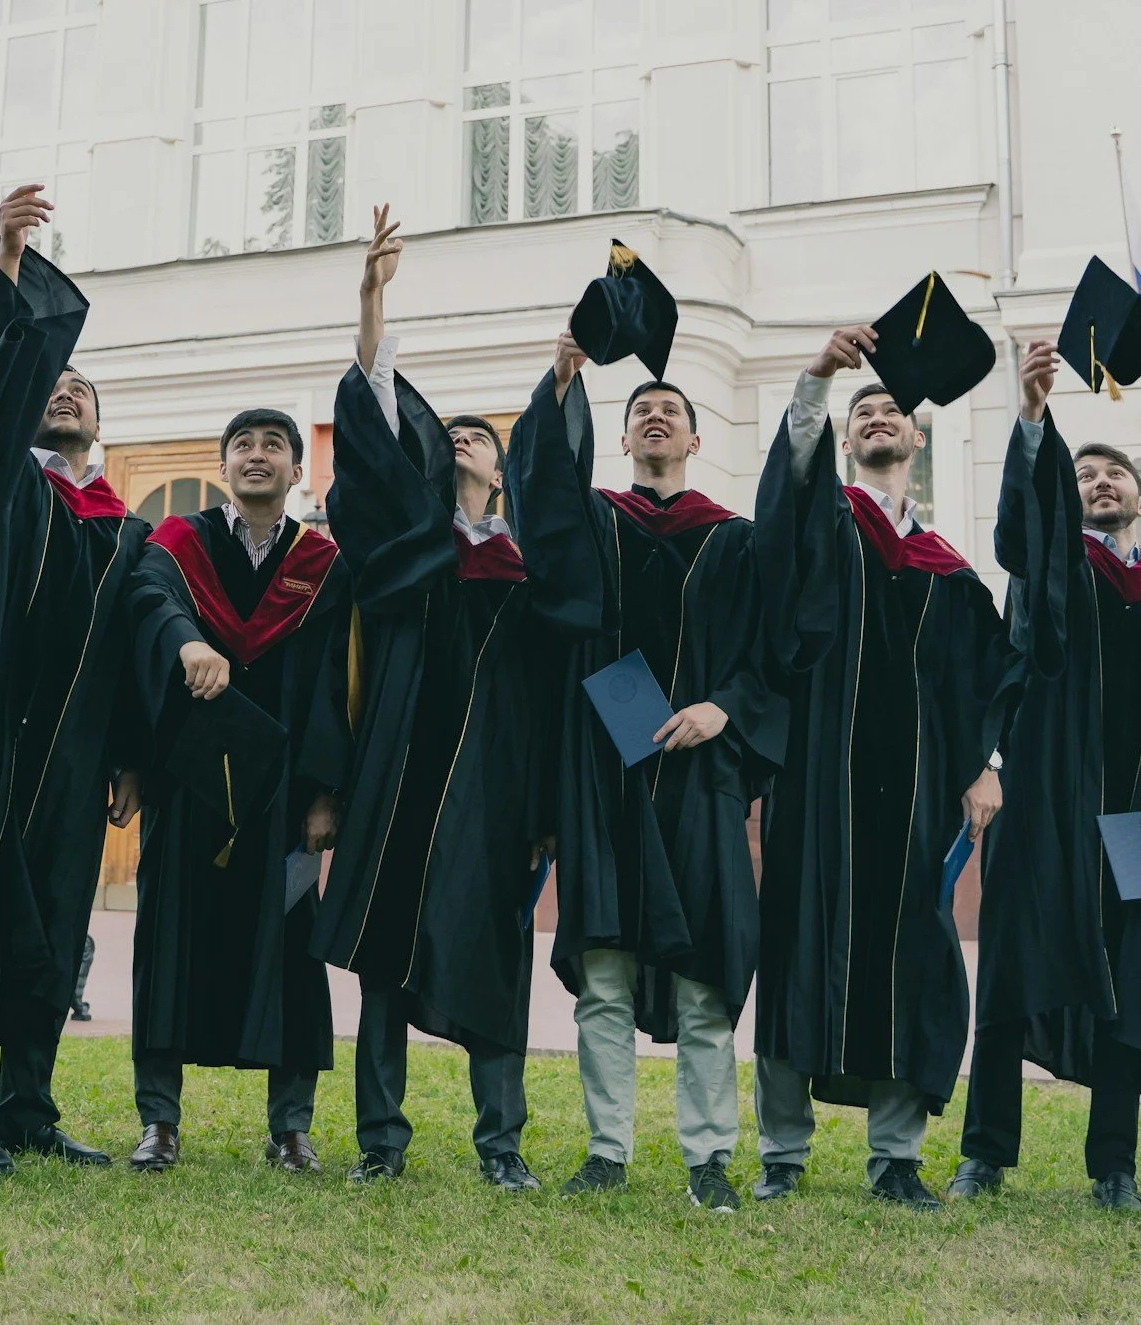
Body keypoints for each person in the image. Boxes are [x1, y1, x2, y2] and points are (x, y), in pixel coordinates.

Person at [310, 208, 595, 1190]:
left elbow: (565, 689)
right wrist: (370, 299)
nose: (466, 439)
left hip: (502, 791)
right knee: (388, 958)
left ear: (506, 467)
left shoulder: (534, 571)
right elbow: (378, 425)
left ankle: (500, 1145)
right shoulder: (412, 554)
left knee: (495, 959)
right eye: (456, 432)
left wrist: (551, 816)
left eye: (485, 433)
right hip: (407, 774)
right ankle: (381, 1142)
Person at [507, 340, 784, 1209]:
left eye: (670, 412)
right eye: (639, 413)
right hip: (605, 776)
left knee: (705, 980)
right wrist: (562, 380)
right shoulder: (595, 521)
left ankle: (708, 1157)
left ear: (696, 442)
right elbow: (541, 497)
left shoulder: (736, 542)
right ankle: (607, 1150)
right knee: (606, 974)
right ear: (621, 439)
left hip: (700, 782)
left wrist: (725, 708)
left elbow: (774, 653)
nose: (654, 417)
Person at [949, 339, 1141, 1210]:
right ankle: (985, 1152)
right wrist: (1032, 418)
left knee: (1133, 986)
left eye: (1113, 475)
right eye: (1083, 476)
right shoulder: (1050, 579)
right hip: (1044, 809)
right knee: (1011, 975)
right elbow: (1026, 536)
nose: (1099, 483)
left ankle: (1115, 1168)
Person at [748, 327, 1006, 1210]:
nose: (880, 420)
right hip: (818, 787)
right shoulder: (824, 527)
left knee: (915, 961)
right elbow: (789, 484)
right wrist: (820, 375)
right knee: (794, 949)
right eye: (866, 414)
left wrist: (985, 765)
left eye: (894, 411)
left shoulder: (953, 574)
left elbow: (985, 685)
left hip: (921, 799)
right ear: (848, 440)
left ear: (919, 440)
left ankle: (896, 1156)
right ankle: (783, 1152)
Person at [0, 185, 148, 1175]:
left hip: (76, 762)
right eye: (53, 382)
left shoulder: (124, 527)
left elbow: (142, 646)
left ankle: (28, 1107)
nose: (64, 393)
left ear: (100, 428)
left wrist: (130, 759)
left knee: (52, 930)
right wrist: (6, 268)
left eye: (81, 393)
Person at [122, 408, 347, 1175]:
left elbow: (332, 686)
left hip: (283, 796)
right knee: (169, 942)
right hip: (190, 782)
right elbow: (147, 602)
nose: (257, 457)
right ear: (225, 467)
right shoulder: (179, 544)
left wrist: (325, 795)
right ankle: (160, 1122)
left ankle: (290, 1127)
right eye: (243, 446)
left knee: (289, 950)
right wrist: (188, 639)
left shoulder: (321, 564)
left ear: (295, 471)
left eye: (273, 447)